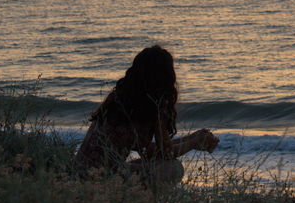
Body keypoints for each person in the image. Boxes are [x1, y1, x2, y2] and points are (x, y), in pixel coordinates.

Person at [74, 45, 219, 184]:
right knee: (172, 168)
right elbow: (164, 153)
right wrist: (193, 143)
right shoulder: (148, 108)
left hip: (82, 173)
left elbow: (157, 149)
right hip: (100, 178)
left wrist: (193, 137)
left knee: (160, 164)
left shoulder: (122, 100)